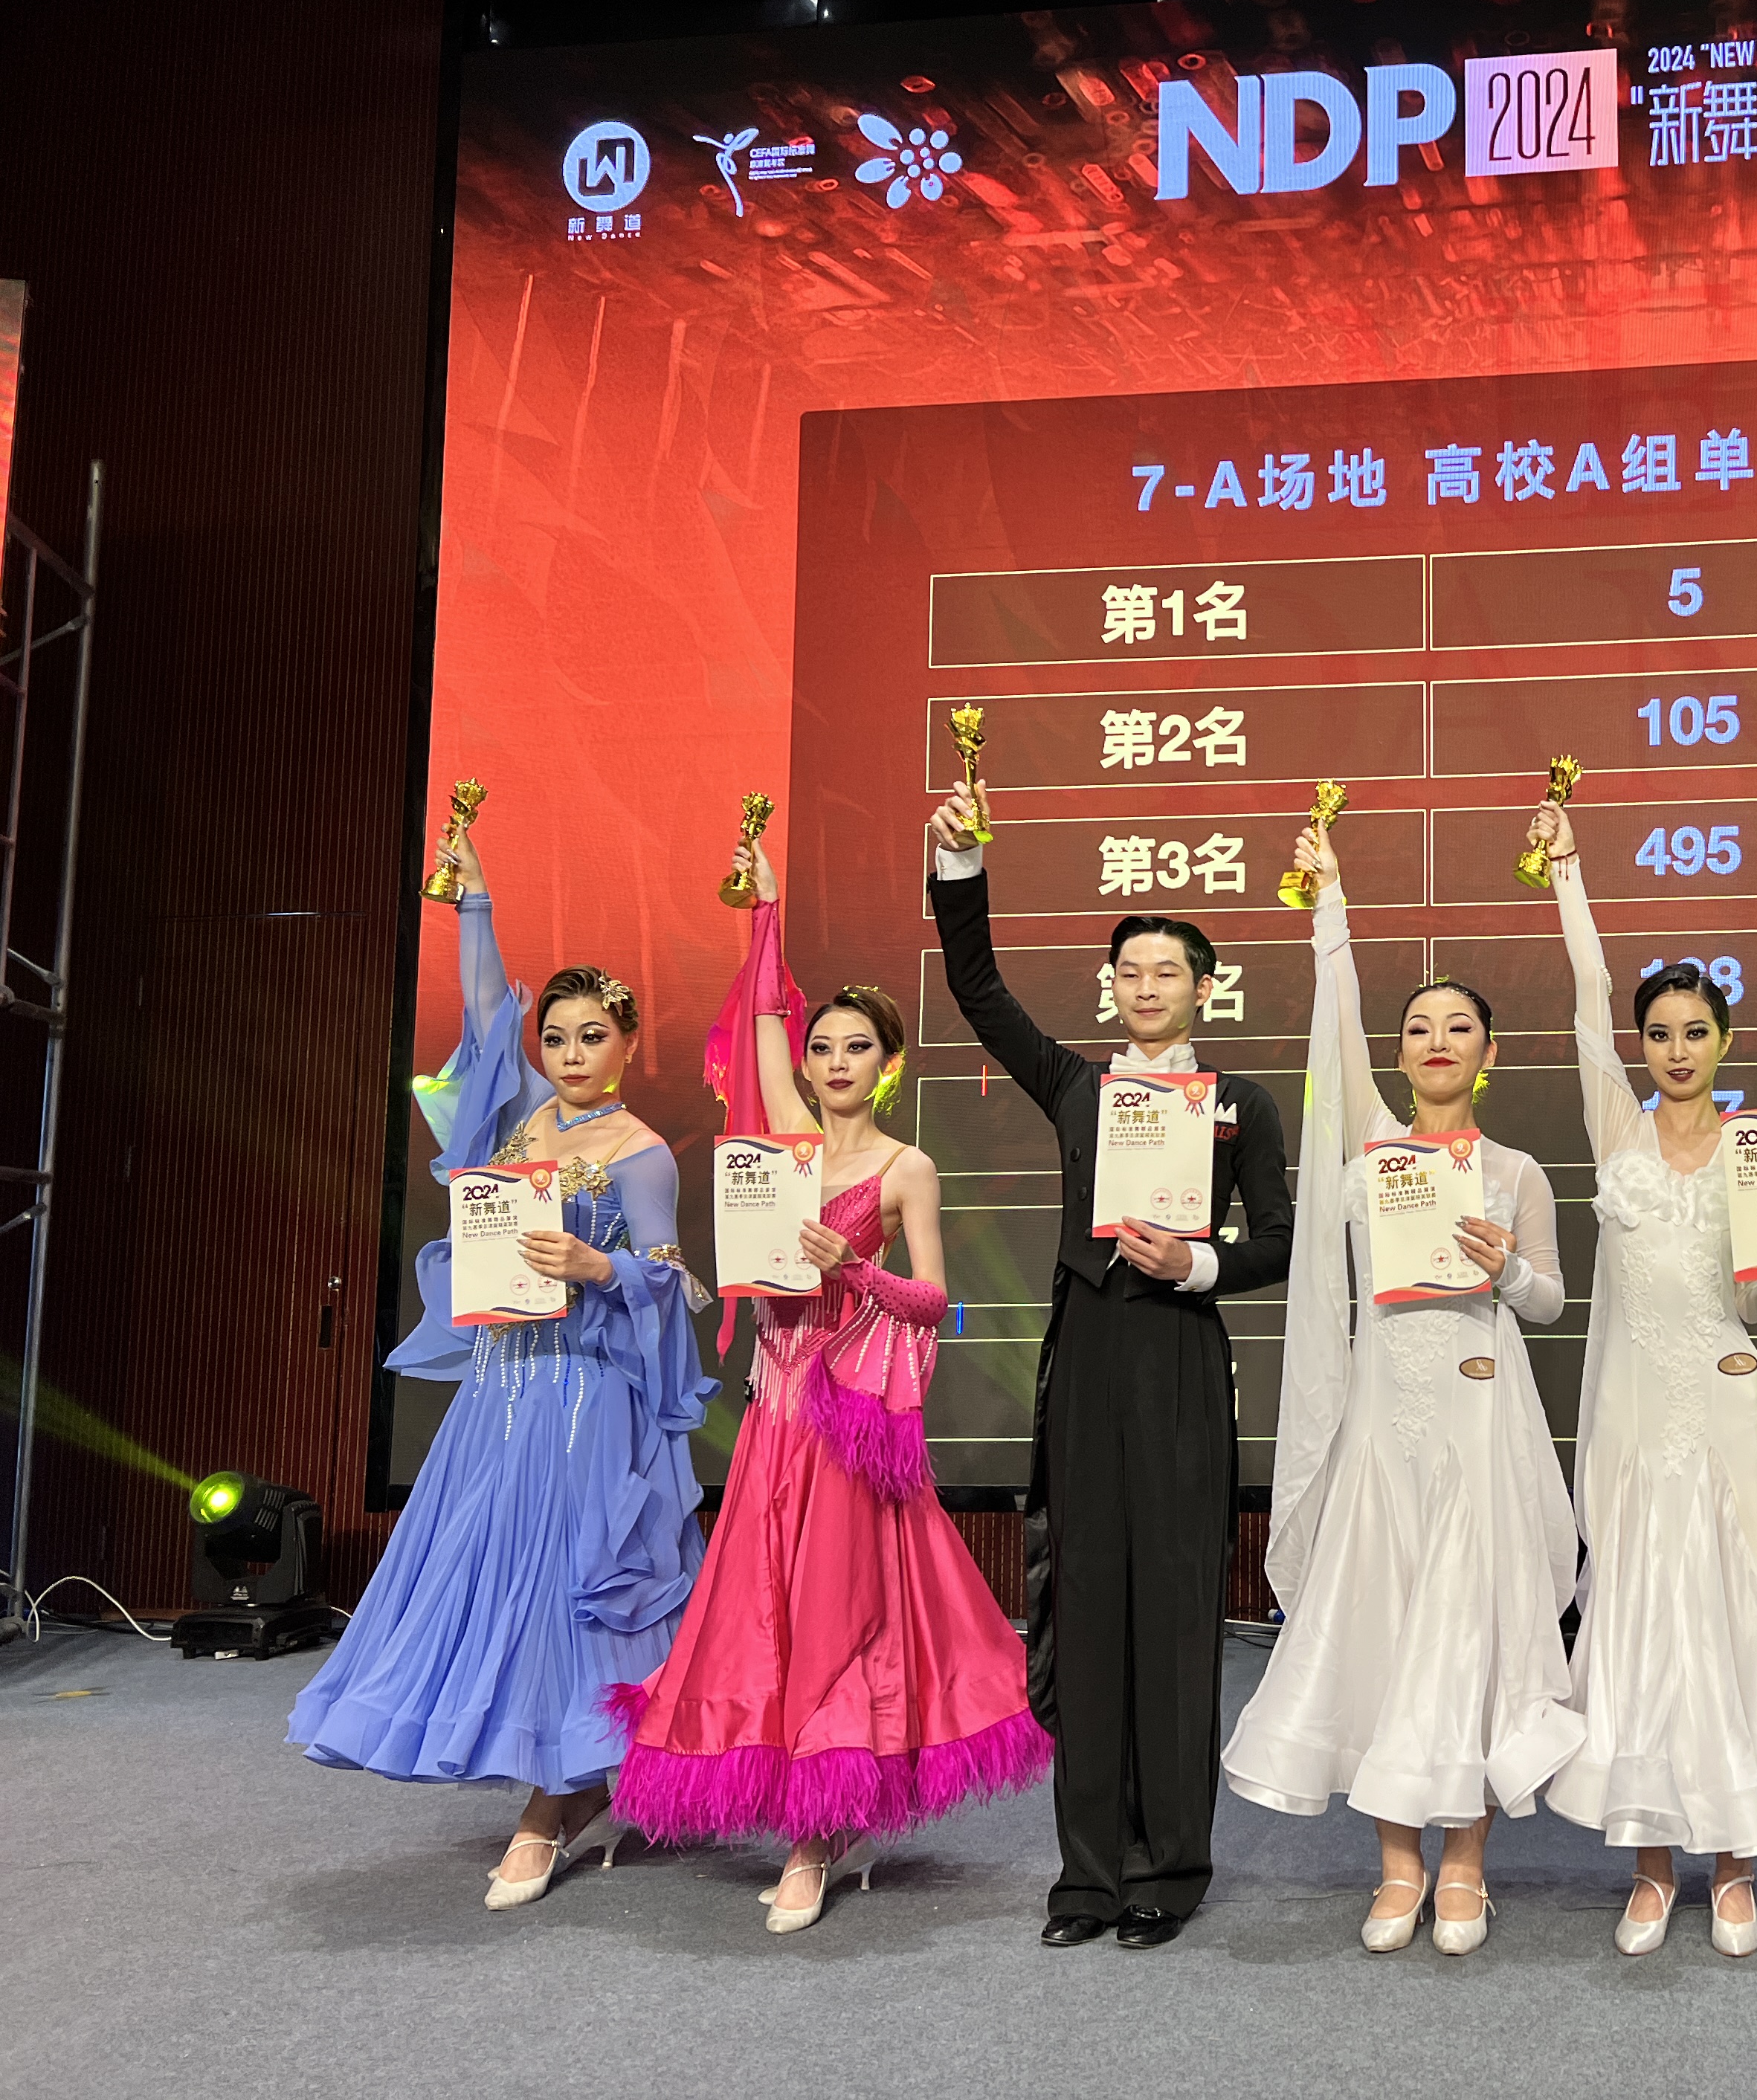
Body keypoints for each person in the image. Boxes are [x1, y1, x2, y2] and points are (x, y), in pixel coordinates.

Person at [605, 840, 1049, 1933]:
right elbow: (763, 1015)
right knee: (763, 1613)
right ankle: (814, 1814)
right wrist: (763, 908)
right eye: (823, 1046)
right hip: (777, 1419)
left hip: (849, 1423)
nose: (836, 1060)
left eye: (859, 1047)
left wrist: (857, 1269)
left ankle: (818, 1836)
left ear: (888, 1064)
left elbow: (934, 1301)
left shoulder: (907, 1168)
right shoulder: (784, 1150)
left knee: (844, 1616)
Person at [289, 815, 712, 1908]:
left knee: (567, 1591)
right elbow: (485, 1019)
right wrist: (472, 900)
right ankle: (573, 1783)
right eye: (557, 1038)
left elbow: (668, 1275)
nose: (570, 1055)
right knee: (493, 1580)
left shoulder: (642, 1154)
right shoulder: (524, 1119)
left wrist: (599, 1265)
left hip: (586, 1397)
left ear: (628, 1044)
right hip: (500, 1393)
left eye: (592, 1037)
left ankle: (549, 1802)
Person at [924, 787, 1293, 1951]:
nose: (1145, 986)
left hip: (1181, 1357)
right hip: (1085, 1359)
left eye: (1167, 971)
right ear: (1112, 988)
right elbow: (979, 991)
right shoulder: (1079, 1087)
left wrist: (1198, 1262)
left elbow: (1281, 1242)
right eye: (1129, 971)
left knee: (1177, 1614)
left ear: (1204, 987)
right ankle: (1084, 1877)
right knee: (1084, 1612)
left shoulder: (1240, 1104)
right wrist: (960, 864)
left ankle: (1169, 1868)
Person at [1222, 819, 1582, 1956]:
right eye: (1419, 1027)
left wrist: (1505, 1268)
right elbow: (1335, 1036)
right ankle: (1395, 1865)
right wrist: (1330, 910)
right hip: (1385, 1428)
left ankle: (1465, 1863)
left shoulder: (1515, 1172)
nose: (1436, 1041)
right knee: (1383, 1634)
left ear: (1490, 1053)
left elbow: (1549, 1304)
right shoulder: (1371, 1152)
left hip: (1482, 1426)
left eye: (1457, 1027)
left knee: (1472, 1638)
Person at [1529, 799, 1757, 1957]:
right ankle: (1649, 1863)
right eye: (1659, 1032)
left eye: (1695, 1031)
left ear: (1725, 1041)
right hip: (1636, 1422)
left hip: (1728, 1414)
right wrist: (1569, 875)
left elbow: (1754, 1302)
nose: (1676, 1049)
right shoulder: (1617, 1134)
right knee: (1643, 1628)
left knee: (1733, 1629)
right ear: (1640, 1045)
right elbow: (1585, 995)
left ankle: (1734, 1865)